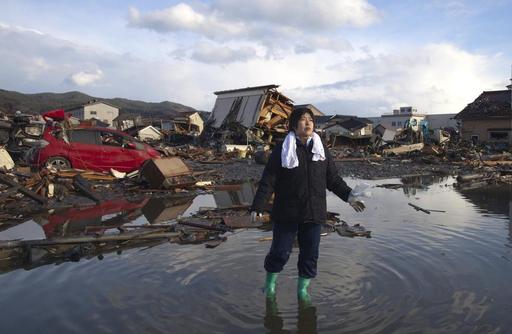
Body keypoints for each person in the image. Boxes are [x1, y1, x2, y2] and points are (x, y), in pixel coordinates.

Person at [250, 106, 365, 302]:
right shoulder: (282, 150)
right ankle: (270, 284)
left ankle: (302, 290)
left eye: (310, 119)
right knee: (279, 252)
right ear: (294, 125)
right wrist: (257, 206)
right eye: (303, 119)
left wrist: (349, 196)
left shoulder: (321, 150)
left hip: (314, 212)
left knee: (310, 254)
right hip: (287, 212)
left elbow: (333, 179)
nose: (308, 123)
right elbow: (269, 180)